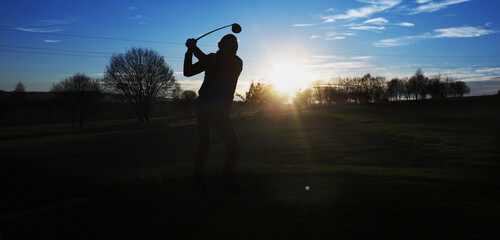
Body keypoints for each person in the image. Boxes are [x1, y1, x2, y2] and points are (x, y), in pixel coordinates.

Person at [184, 34, 243, 196]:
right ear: (221, 47)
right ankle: (199, 184)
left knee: (234, 149)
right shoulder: (210, 59)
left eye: (236, 48)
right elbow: (188, 72)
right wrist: (189, 52)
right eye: (231, 48)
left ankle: (226, 181)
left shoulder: (236, 63)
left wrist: (193, 48)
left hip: (221, 111)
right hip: (204, 108)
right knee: (204, 147)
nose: (234, 51)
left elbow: (217, 65)